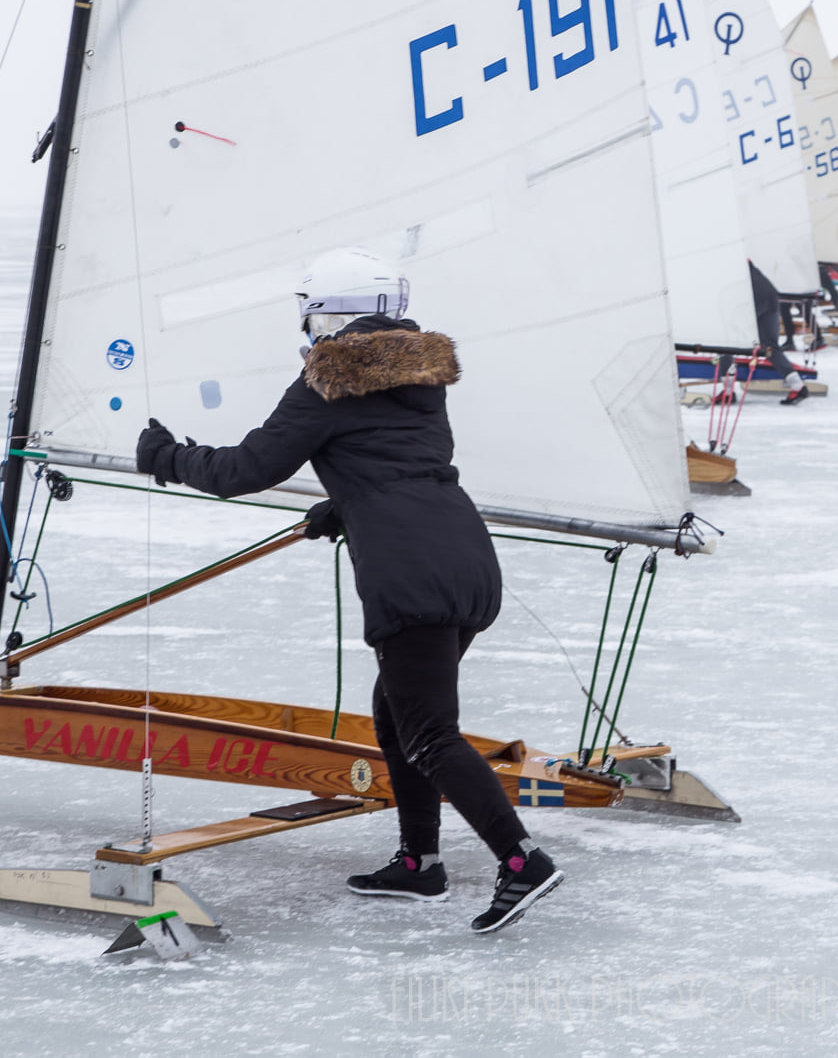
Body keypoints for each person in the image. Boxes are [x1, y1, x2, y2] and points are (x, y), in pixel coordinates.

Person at [134, 247, 562, 935]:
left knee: (427, 733)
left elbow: (245, 469)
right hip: (462, 555)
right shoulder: (422, 379)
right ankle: (420, 864)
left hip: (408, 570)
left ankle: (520, 862)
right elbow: (401, 464)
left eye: (307, 315)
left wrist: (166, 459)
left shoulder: (328, 379)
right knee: (398, 720)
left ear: (328, 315)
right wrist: (345, 504)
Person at [747, 260, 810, 404]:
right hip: (770, 296)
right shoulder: (741, 259)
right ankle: (798, 386)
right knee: (770, 346)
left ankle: (727, 390)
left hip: (754, 297)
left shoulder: (725, 263)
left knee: (728, 341)